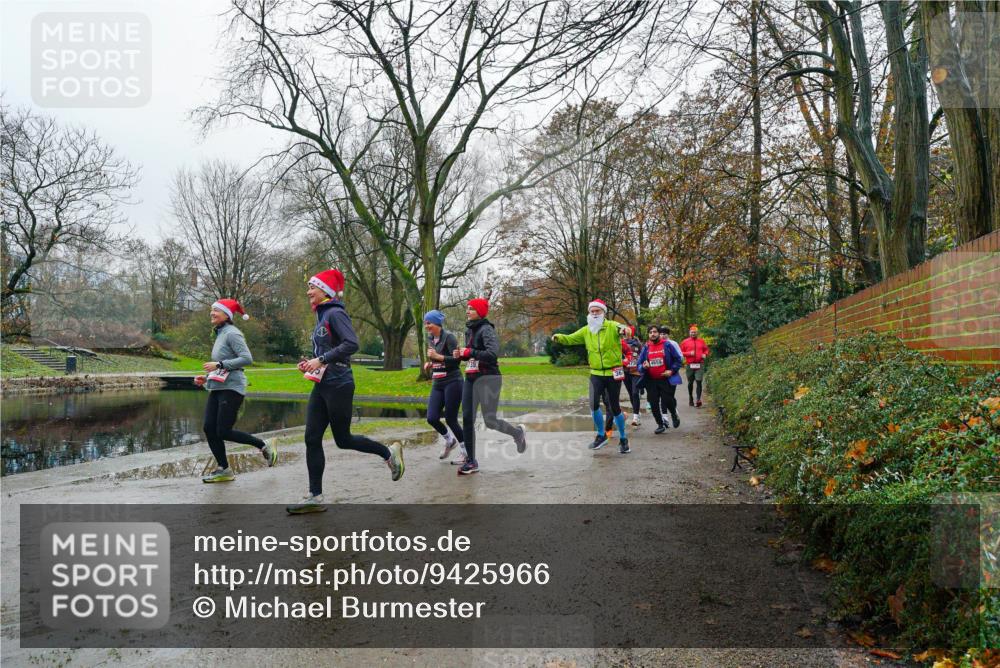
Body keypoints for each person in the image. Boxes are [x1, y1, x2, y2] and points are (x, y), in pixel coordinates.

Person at [286, 269, 404, 514]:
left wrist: (322, 360)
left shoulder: (335, 313)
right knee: (311, 438)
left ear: (325, 291)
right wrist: (311, 363)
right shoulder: (322, 315)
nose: (308, 292)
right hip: (322, 384)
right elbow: (328, 351)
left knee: (343, 439)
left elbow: (352, 344)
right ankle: (315, 497)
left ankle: (388, 453)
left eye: (312, 287)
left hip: (339, 384)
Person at [195, 298, 277, 483]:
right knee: (209, 428)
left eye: (216, 310)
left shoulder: (232, 333)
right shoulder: (220, 333)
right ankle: (223, 469)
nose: (212, 313)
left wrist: (220, 363)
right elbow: (221, 365)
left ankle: (264, 445)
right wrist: (205, 378)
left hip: (232, 388)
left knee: (223, 431)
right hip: (217, 387)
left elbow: (246, 358)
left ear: (227, 315)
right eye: (211, 310)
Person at [452, 297, 527, 475]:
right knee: (468, 419)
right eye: (467, 308)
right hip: (471, 378)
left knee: (490, 421)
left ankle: (517, 433)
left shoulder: (486, 329)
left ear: (480, 312)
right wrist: (461, 355)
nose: (467, 311)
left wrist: (470, 352)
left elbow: (492, 354)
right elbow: (473, 354)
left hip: (489, 379)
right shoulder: (469, 329)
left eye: (471, 309)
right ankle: (471, 461)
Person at [551, 299, 632, 454]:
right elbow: (570, 338)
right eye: (592, 311)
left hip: (613, 372)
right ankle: (601, 435)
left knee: (614, 407)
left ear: (603, 313)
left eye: (598, 311)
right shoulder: (587, 330)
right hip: (595, 372)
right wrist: (559, 337)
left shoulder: (612, 326)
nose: (595, 314)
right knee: (593, 404)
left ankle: (623, 438)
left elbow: (622, 329)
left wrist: (625, 330)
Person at [422, 309, 465, 462]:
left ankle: (466, 452)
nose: (427, 326)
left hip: (453, 381)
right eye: (425, 323)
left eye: (429, 323)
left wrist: (437, 357)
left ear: (438, 324)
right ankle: (449, 440)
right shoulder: (430, 339)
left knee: (451, 418)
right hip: (438, 382)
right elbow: (437, 360)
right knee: (432, 418)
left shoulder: (449, 338)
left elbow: (457, 361)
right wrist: (431, 363)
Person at [637, 325, 684, 434]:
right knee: (653, 403)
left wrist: (671, 371)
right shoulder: (646, 347)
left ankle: (673, 414)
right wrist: (643, 367)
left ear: (659, 333)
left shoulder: (667, 345)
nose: (652, 334)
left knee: (667, 400)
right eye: (650, 332)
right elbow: (639, 364)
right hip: (651, 380)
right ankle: (660, 424)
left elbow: (678, 360)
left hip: (665, 379)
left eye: (654, 332)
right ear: (648, 335)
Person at [680, 324, 710, 408]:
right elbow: (680, 352)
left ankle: (698, 399)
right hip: (690, 364)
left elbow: (706, 349)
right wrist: (689, 353)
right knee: (690, 382)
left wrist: (705, 354)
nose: (693, 334)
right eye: (692, 332)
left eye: (695, 332)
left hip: (699, 364)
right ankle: (690, 398)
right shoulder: (685, 342)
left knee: (699, 381)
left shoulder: (701, 341)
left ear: (697, 333)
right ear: (689, 333)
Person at [622, 325, 644, 426]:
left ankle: (635, 417)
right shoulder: (620, 344)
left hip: (636, 371)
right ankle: (637, 411)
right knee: (631, 393)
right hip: (625, 371)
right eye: (624, 335)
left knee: (635, 393)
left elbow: (643, 355)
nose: (626, 336)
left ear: (631, 334)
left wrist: (640, 363)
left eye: (627, 334)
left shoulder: (638, 344)